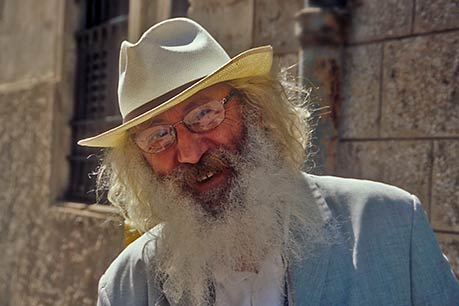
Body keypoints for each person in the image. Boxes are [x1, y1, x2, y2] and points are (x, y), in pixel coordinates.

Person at [78, 18, 459, 306]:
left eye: (205, 115)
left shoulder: (391, 224)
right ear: (141, 163)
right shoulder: (128, 286)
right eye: (158, 137)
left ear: (255, 113)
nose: (190, 152)